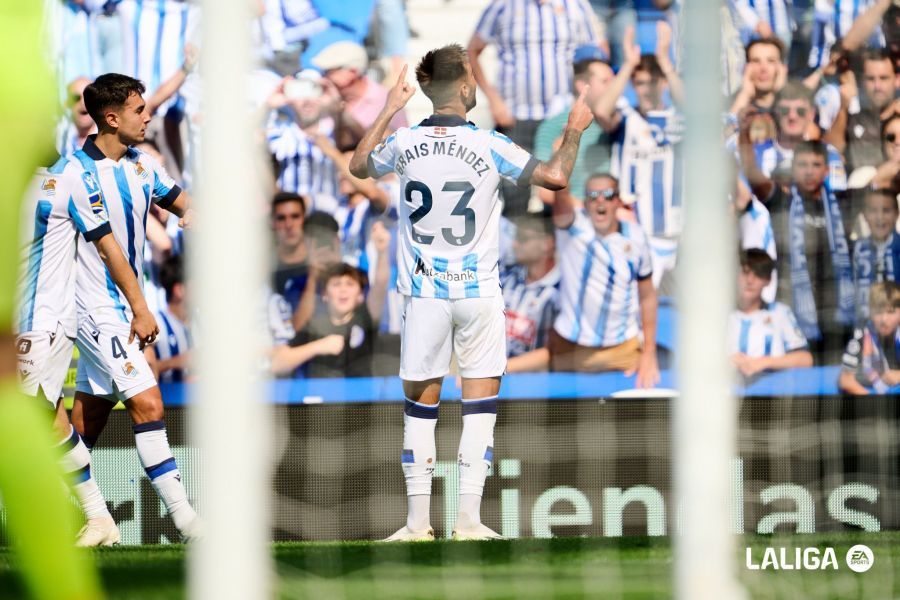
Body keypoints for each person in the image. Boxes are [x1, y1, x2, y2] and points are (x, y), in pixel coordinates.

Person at [349, 44, 594, 541]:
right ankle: (469, 522)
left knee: (421, 408)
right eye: (474, 80)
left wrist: (392, 108)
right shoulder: (489, 144)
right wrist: (574, 129)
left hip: (423, 294)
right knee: (479, 405)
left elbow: (357, 167)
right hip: (478, 291)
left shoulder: (403, 144)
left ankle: (417, 525)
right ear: (464, 86)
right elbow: (557, 177)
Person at [67, 73, 202, 540]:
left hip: (121, 304)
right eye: (140, 110)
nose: (148, 116)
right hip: (96, 306)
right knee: (147, 401)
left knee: (88, 418)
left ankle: (62, 513)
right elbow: (109, 250)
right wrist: (142, 309)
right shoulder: (78, 174)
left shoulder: (142, 164)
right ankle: (187, 521)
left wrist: (196, 214)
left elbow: (182, 203)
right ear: (111, 117)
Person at [14, 159, 159, 546]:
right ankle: (96, 519)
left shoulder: (65, 183)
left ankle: (95, 514)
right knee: (49, 418)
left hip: (43, 321)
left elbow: (109, 247)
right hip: (12, 324)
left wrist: (140, 307)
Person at [468, 0, 601, 216]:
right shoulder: (503, 6)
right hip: (516, 117)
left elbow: (594, 52)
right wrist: (493, 99)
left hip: (560, 117)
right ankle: (516, 249)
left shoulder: (576, 5)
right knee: (514, 199)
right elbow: (472, 51)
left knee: (558, 192)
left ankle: (557, 248)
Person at [594, 24, 685, 287]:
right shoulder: (626, 116)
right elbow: (601, 111)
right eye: (639, 83)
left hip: (677, 237)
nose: (645, 89)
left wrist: (665, 62)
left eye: (652, 82)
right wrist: (628, 64)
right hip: (635, 235)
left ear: (664, 83)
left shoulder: (680, 120)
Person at [549, 174, 660, 385]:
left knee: (630, 413)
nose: (600, 200)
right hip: (571, 347)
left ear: (618, 201)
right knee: (561, 414)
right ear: (585, 203)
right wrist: (563, 165)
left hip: (621, 349)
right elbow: (560, 194)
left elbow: (647, 297)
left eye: (608, 195)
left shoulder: (636, 238)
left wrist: (649, 353)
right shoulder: (572, 228)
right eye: (593, 195)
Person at [756, 140, 856, 364]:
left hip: (837, 313)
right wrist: (743, 137)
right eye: (802, 164)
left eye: (816, 164)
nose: (809, 171)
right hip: (794, 312)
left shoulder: (843, 202)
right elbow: (754, 178)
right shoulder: (781, 202)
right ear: (793, 169)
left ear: (827, 170)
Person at [534, 45, 616, 206]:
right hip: (573, 220)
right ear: (582, 85)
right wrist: (588, 211)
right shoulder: (552, 127)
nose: (613, 87)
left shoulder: (617, 122)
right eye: (605, 81)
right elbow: (544, 192)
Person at [729, 249, 813, 378]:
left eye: (758, 274)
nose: (750, 280)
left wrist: (765, 362)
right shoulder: (718, 314)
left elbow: (805, 359)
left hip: (769, 395)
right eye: (745, 273)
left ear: (768, 280)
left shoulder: (780, 313)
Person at [502, 216, 560, 373]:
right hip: (497, 383)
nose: (514, 244)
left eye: (523, 239)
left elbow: (557, 352)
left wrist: (498, 370)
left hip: (536, 390)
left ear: (547, 244)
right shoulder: (506, 277)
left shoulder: (560, 292)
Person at [825, 49, 899, 173]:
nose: (877, 86)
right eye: (870, 79)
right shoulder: (851, 119)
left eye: (884, 78)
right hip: (858, 190)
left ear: (897, 80)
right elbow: (829, 152)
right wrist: (843, 108)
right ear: (862, 82)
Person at [839, 281, 900, 394]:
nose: (884, 320)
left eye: (890, 312)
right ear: (871, 312)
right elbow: (846, 381)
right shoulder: (862, 333)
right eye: (878, 312)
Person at [853, 188, 900, 320]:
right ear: (864, 215)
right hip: (865, 323)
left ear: (897, 214)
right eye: (873, 211)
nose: (880, 218)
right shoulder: (857, 249)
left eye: (886, 211)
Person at [153, 254, 192, 383]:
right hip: (168, 402)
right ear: (179, 290)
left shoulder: (205, 322)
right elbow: (138, 372)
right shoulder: (155, 324)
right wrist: (175, 362)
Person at [271, 191, 310, 314]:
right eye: (281, 218)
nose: (289, 225)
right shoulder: (262, 268)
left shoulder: (318, 263)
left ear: (304, 219)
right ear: (272, 222)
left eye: (295, 216)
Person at [728, 38, 787, 116]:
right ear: (746, 68)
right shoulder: (730, 103)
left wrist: (782, 94)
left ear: (782, 68)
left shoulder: (801, 102)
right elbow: (727, 128)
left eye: (771, 61)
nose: (763, 68)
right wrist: (745, 95)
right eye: (756, 61)